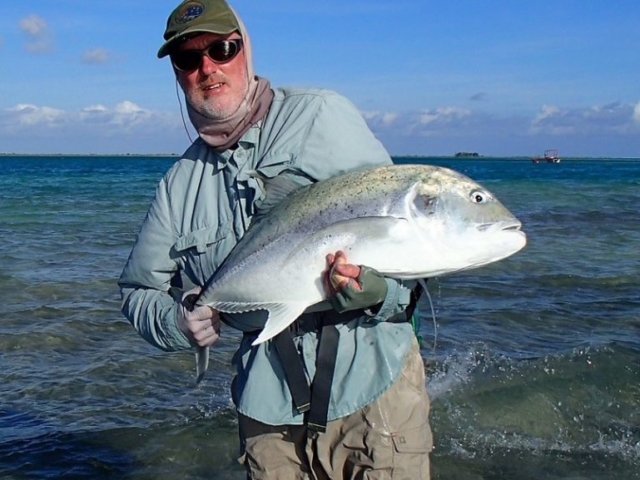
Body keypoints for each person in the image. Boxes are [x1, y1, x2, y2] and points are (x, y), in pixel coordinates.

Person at [118, 0, 433, 478]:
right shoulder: (177, 186)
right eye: (188, 58)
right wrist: (178, 322)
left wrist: (379, 292)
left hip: (373, 391)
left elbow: (408, 236)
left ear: (245, 49)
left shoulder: (321, 117)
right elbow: (137, 292)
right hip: (266, 413)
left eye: (222, 49)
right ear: (178, 74)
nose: (207, 68)